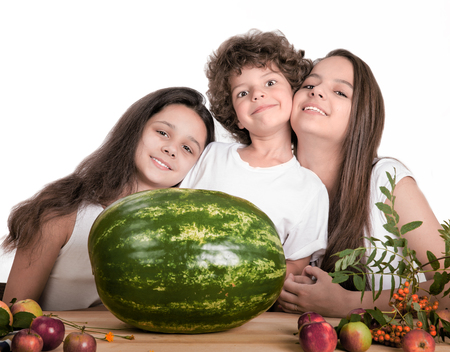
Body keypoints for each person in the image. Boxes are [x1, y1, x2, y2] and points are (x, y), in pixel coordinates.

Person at [2, 87, 215, 311]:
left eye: (187, 148)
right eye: (162, 132)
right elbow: (12, 319)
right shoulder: (61, 210)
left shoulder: (182, 235)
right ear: (136, 130)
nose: (171, 149)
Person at [278, 49, 449, 317]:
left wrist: (348, 302)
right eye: (309, 84)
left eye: (340, 92)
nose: (317, 91)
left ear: (362, 117)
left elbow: (448, 285)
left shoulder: (387, 182)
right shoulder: (268, 180)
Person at [180, 30, 329, 279]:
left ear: (293, 92)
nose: (257, 94)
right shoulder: (211, 156)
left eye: (270, 83)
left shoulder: (309, 188)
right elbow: (174, 216)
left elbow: (297, 265)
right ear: (236, 117)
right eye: (242, 93)